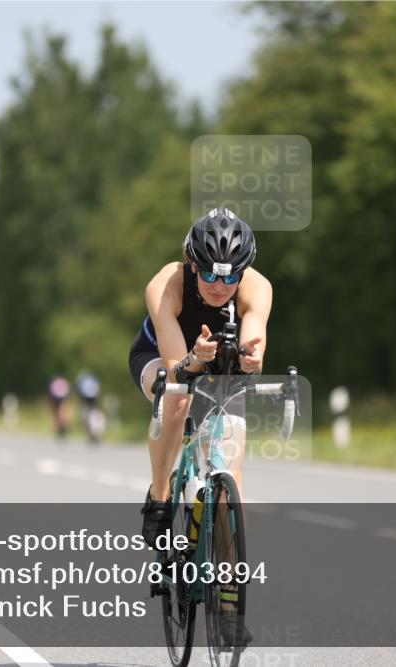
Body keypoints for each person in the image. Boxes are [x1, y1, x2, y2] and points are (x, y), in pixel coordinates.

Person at [129, 208, 271, 644]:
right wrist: (195, 359)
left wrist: (249, 359)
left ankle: (228, 604)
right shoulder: (166, 284)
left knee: (233, 472)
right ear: (193, 264)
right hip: (162, 357)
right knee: (176, 401)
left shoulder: (257, 288)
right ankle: (159, 494)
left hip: (220, 368)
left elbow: (255, 346)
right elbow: (176, 368)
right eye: (209, 273)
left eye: (230, 278)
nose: (219, 285)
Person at [75, 369, 104, 444]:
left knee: (86, 417)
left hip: (86, 401)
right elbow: (98, 391)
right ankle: (95, 434)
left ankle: (91, 435)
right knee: (94, 416)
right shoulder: (94, 380)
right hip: (93, 400)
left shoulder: (82, 381)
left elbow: (80, 392)